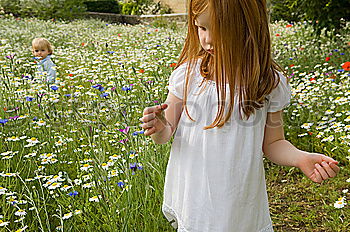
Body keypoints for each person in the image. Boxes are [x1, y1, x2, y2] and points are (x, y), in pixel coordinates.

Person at [140, 0, 340, 231]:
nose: (208, 39)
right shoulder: (187, 75)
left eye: (220, 30)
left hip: (239, 200)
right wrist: (157, 127)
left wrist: (299, 158)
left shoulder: (267, 82)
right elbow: (167, 133)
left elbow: (274, 143)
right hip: (195, 197)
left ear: (248, 28)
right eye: (201, 28)